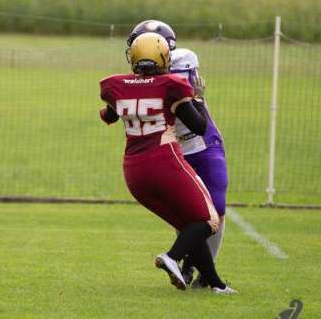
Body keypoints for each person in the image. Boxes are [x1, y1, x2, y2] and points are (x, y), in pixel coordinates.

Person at [99, 32, 235, 293]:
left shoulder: (115, 85)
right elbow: (199, 124)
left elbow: (109, 115)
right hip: (164, 159)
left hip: (133, 170)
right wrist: (194, 97)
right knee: (209, 219)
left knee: (188, 223)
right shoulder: (172, 85)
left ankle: (215, 284)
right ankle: (172, 257)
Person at [169, 47, 228, 287]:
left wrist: (198, 99)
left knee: (217, 208)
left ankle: (206, 270)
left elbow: (199, 122)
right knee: (183, 211)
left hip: (205, 147)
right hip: (174, 149)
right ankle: (188, 262)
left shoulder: (188, 80)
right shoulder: (152, 83)